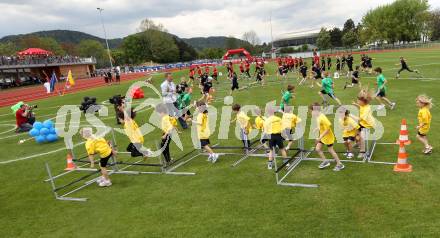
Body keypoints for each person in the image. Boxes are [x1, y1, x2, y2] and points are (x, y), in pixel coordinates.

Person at [310, 103, 345, 171]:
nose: (311, 113)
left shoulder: (323, 118)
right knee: (317, 148)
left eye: (311, 111)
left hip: (328, 137)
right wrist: (317, 128)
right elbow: (321, 125)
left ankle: (340, 164)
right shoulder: (318, 116)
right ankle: (325, 161)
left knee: (330, 150)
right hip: (323, 137)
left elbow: (328, 129)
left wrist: (319, 137)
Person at [351, 89, 375, 159]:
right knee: (355, 133)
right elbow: (360, 107)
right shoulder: (364, 105)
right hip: (362, 123)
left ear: (363, 101)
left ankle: (362, 152)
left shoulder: (366, 109)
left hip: (367, 124)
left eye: (358, 100)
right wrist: (356, 104)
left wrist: (349, 115)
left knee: (362, 137)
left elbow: (359, 119)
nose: (357, 101)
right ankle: (358, 144)